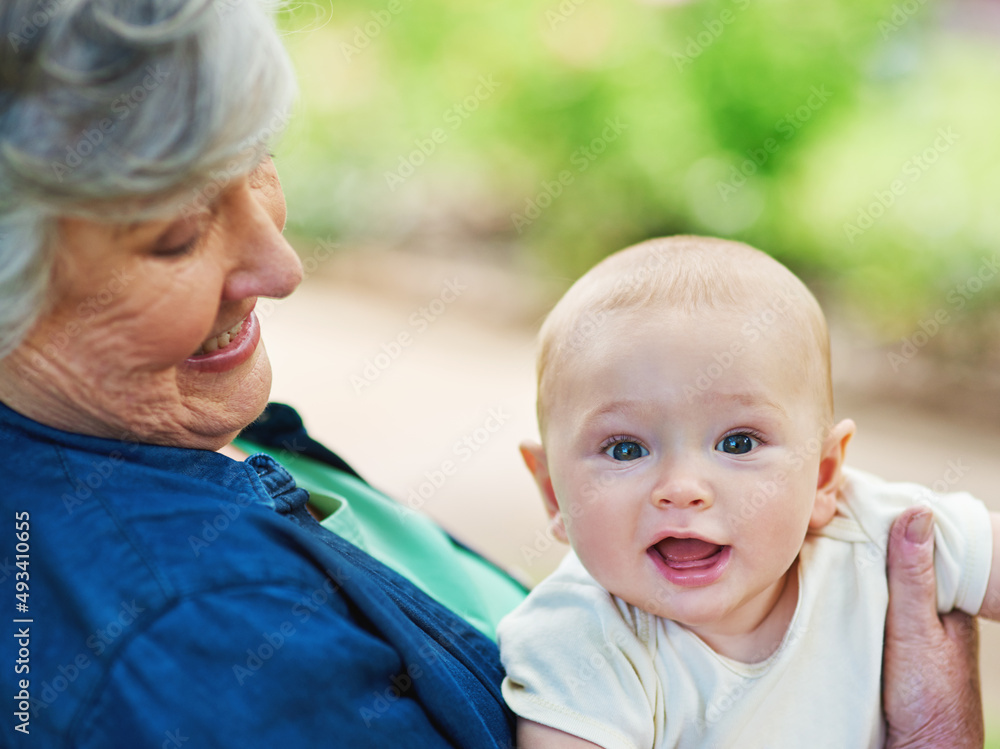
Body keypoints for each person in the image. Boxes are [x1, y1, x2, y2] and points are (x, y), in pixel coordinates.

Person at [0, 1, 984, 746]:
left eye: (257, 160)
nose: (280, 267)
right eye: (176, 238)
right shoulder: (193, 639)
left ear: (824, 470)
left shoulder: (871, 522)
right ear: (548, 486)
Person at [498, 236, 999, 748]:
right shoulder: (580, 642)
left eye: (737, 443)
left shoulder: (879, 531)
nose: (682, 489)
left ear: (824, 476)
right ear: (555, 493)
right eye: (625, 449)